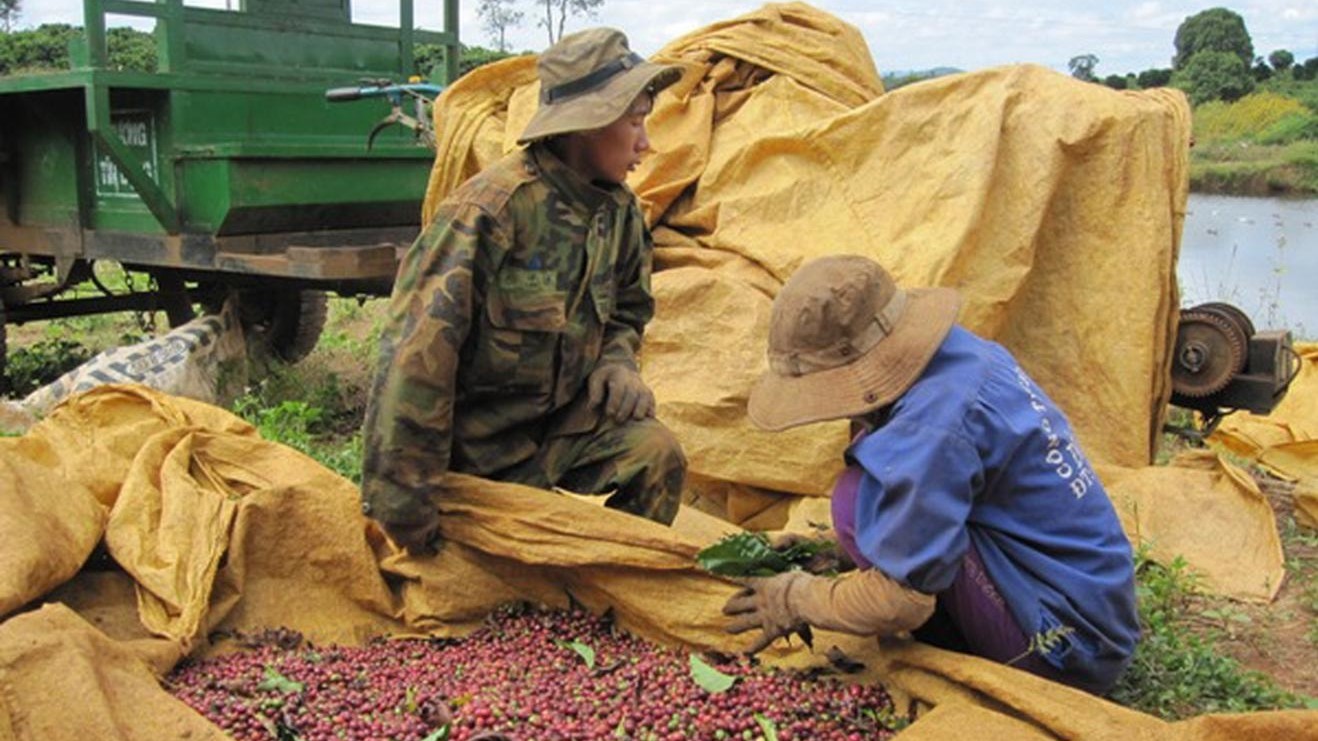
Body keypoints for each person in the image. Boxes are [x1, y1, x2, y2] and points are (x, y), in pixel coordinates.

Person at [722, 255, 1139, 695]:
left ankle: (993, 655)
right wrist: (833, 553)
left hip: (1065, 647)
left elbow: (903, 604)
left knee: (854, 499)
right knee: (864, 506)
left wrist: (795, 598)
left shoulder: (932, 426)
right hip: (1094, 608)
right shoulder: (963, 355)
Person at [360, 28, 688, 555]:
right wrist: (405, 512)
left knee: (656, 454)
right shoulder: (489, 213)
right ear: (589, 124)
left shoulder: (619, 212)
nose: (646, 144)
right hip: (474, 457)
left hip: (554, 436)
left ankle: (610, 590)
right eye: (635, 122)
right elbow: (414, 365)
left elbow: (629, 308)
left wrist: (618, 362)